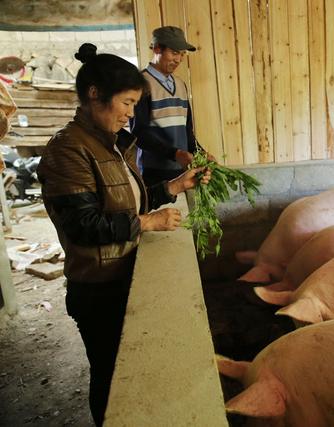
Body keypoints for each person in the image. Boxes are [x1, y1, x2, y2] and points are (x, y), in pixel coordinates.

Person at [36, 43, 211, 426]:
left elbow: (126, 204)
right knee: (112, 379)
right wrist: (147, 224)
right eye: (127, 103)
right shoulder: (67, 152)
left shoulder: (111, 145)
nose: (132, 113)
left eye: (136, 104)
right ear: (95, 95)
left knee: (129, 370)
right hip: (98, 287)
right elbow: (83, 226)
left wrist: (177, 186)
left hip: (121, 275)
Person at [131, 26, 212, 186]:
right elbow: (138, 134)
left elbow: (187, 133)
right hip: (153, 174)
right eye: (174, 53)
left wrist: (201, 153)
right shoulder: (141, 84)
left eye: (182, 54)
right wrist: (175, 154)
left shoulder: (181, 85)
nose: (179, 59)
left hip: (184, 172)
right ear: (156, 49)